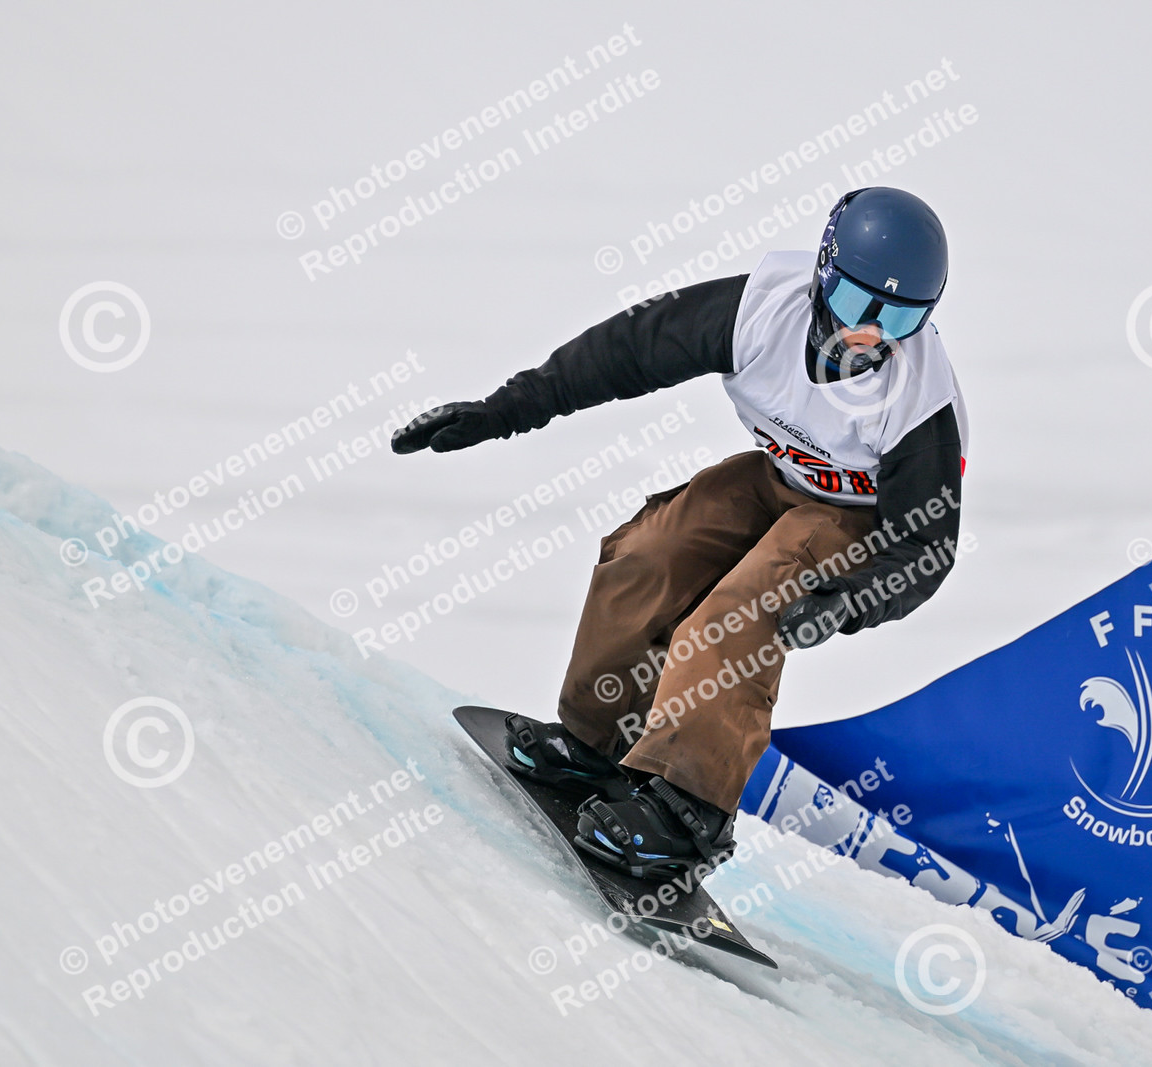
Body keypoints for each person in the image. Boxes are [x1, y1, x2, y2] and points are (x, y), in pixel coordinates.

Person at [393, 187, 969, 879]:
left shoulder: (918, 402)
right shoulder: (761, 310)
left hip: (858, 519)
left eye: (899, 317)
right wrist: (505, 410)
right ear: (822, 273)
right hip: (778, 473)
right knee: (649, 553)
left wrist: (852, 600)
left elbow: (927, 547)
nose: (868, 334)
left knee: (739, 615)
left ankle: (690, 812)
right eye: (853, 302)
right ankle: (598, 741)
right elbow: (629, 350)